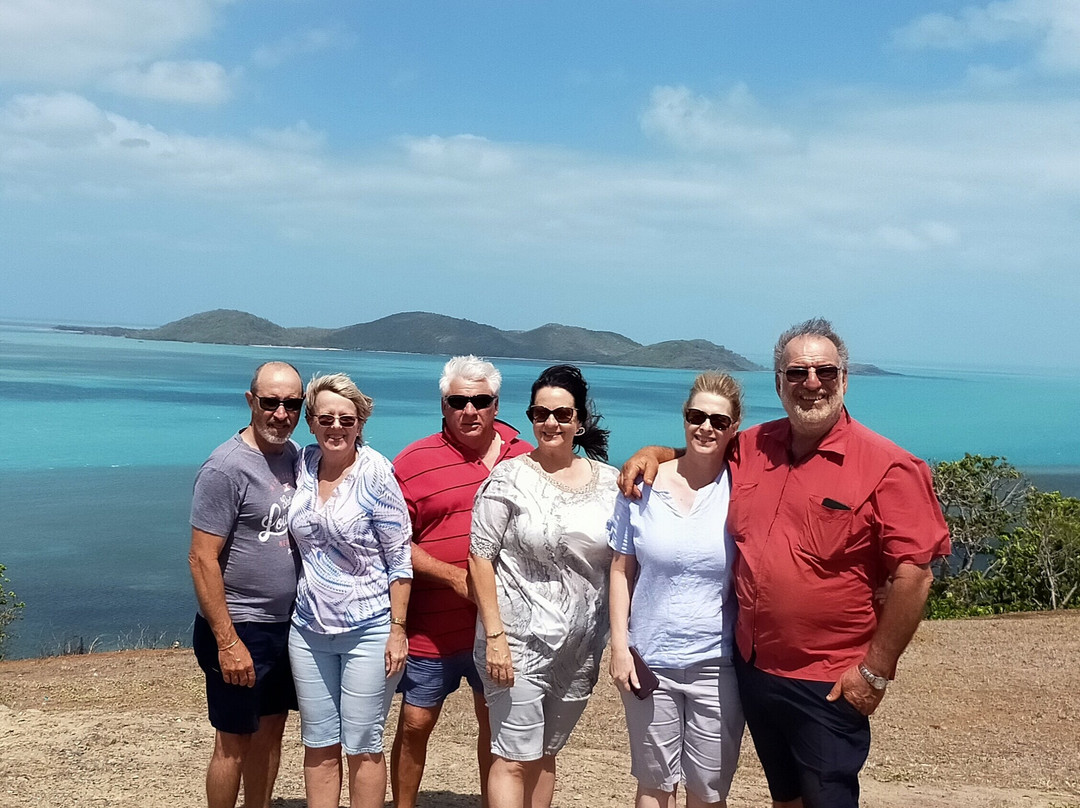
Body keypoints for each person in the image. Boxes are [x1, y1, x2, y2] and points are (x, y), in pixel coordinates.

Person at [620, 318, 951, 808]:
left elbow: (914, 577)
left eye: (825, 371)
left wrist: (875, 671)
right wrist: (654, 452)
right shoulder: (753, 447)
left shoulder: (889, 467)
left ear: (844, 378)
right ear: (778, 382)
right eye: (797, 373)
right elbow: (703, 451)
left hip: (828, 679)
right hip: (754, 669)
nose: (811, 383)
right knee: (786, 797)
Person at [468, 364, 618, 808]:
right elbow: (480, 555)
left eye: (562, 414)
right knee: (513, 757)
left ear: (579, 421)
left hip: (579, 648)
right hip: (516, 643)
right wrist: (494, 636)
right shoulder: (508, 478)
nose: (550, 422)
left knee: (546, 754)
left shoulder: (610, 483)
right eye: (540, 413)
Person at [390, 356, 532, 808]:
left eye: (480, 401)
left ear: (495, 404)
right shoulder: (413, 461)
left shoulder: (525, 457)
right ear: (444, 405)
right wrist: (452, 575)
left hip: (502, 626)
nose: (469, 411)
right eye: (458, 401)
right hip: (432, 624)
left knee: (495, 723)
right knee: (415, 722)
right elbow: (395, 543)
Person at [608, 372, 745, 808]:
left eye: (719, 422)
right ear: (684, 418)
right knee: (653, 785)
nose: (706, 427)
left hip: (717, 662)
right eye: (696, 416)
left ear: (734, 428)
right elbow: (620, 569)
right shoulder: (642, 486)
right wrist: (619, 647)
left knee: (707, 791)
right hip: (649, 659)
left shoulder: (741, 488)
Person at [287, 373, 413, 808]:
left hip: (369, 629)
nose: (335, 427)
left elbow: (400, 561)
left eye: (346, 418)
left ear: (360, 422)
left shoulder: (377, 474)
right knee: (318, 741)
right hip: (307, 630)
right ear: (311, 422)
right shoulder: (302, 464)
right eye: (325, 418)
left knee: (363, 743)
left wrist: (398, 630)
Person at [188, 360, 304, 808]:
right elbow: (201, 559)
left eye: (291, 403)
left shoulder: (296, 458)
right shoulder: (226, 468)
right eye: (271, 402)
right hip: (241, 627)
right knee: (233, 741)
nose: (281, 413)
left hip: (287, 625)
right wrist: (227, 640)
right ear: (251, 401)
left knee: (271, 731)